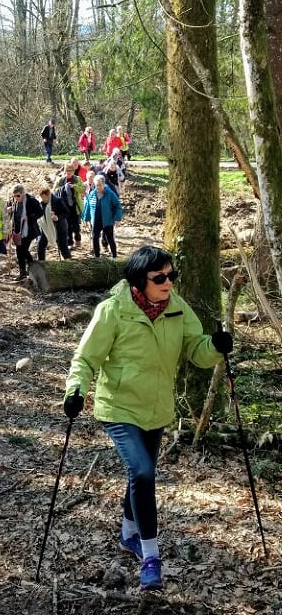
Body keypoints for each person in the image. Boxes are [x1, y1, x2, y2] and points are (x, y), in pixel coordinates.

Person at [63, 245, 233, 591]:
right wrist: (75, 390)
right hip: (118, 408)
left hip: (157, 409)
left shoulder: (177, 309)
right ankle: (151, 556)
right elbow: (85, 358)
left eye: (172, 275)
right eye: (160, 277)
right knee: (142, 471)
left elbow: (197, 352)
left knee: (138, 474)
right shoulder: (113, 311)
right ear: (141, 281)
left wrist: (216, 345)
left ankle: (128, 533)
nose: (168, 282)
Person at [82, 173, 123, 258]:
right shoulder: (92, 194)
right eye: (96, 185)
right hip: (96, 220)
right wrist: (86, 218)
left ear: (104, 184)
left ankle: (114, 256)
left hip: (107, 221)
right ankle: (97, 256)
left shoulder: (110, 194)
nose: (98, 187)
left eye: (100, 185)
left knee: (110, 239)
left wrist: (117, 219)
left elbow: (118, 206)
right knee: (95, 238)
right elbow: (88, 206)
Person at [8, 183, 43, 280]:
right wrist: (8, 210)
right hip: (17, 230)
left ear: (23, 193)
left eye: (18, 195)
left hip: (29, 230)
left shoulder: (31, 201)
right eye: (14, 195)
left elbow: (40, 212)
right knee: (19, 251)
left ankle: (31, 266)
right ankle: (23, 271)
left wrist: (28, 217)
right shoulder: (13, 201)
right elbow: (7, 211)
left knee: (22, 250)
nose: (16, 198)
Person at [53, 162, 85, 249]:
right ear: (65, 171)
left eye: (71, 171)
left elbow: (83, 189)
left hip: (75, 206)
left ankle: (77, 239)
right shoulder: (60, 180)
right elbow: (54, 191)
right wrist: (63, 188)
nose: (69, 172)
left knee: (76, 225)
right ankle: (70, 242)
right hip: (64, 206)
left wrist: (75, 186)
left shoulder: (77, 179)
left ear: (73, 171)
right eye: (67, 171)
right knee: (67, 225)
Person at [37, 186, 71, 261]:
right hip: (45, 227)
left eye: (44, 197)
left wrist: (58, 217)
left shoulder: (58, 200)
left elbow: (66, 213)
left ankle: (70, 264)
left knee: (63, 247)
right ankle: (41, 263)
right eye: (41, 197)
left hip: (60, 227)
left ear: (49, 195)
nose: (42, 199)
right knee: (40, 245)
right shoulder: (40, 202)